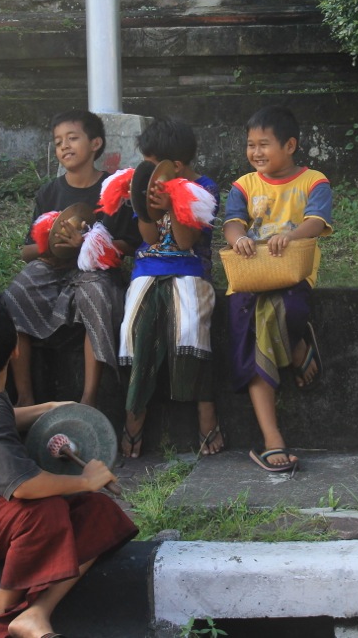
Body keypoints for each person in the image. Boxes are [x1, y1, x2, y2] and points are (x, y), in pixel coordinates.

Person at [0, 297, 135, 638]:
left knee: (99, 512)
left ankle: (36, 613)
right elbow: (26, 486)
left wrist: (51, 408)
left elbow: (3, 416)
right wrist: (85, 480)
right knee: (44, 512)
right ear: (15, 351)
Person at [222, 105, 331, 474]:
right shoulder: (243, 185)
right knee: (251, 329)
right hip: (251, 277)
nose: (256, 153)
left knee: (285, 312)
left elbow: (316, 221)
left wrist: (291, 234)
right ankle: (272, 437)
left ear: (290, 145)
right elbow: (232, 224)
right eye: (251, 145)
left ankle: (299, 343)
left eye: (264, 144)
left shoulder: (314, 181)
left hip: (291, 275)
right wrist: (238, 241)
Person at [2, 110, 136, 409]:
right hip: (54, 269)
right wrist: (51, 243)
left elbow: (128, 244)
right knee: (16, 293)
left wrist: (89, 243)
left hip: (97, 272)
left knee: (96, 294)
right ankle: (24, 395)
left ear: (96, 143)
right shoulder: (50, 191)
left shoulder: (113, 190)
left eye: (73, 138)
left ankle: (89, 398)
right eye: (58, 141)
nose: (64, 146)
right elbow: (26, 252)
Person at [117, 118, 222, 459]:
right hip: (148, 268)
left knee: (191, 326)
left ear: (175, 166)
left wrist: (174, 206)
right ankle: (135, 411)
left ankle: (206, 411)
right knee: (135, 327)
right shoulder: (145, 186)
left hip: (190, 268)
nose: (147, 171)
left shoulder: (205, 188)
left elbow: (185, 240)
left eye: (152, 165)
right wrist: (145, 206)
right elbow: (147, 238)